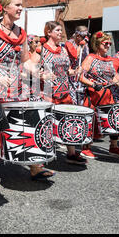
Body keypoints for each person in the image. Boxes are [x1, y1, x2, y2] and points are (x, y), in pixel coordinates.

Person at [0, 0, 55, 183]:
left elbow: (25, 62)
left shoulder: (21, 33)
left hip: (15, 87)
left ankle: (34, 166)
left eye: (21, 4)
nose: (21, 8)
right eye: (17, 5)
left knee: (22, 122)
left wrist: (38, 72)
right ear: (5, 8)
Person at [30, 21, 86, 165]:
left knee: (68, 121)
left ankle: (71, 154)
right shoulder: (41, 50)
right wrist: (41, 76)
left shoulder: (63, 49)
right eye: (58, 30)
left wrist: (75, 72)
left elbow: (67, 70)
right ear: (49, 32)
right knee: (46, 124)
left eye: (61, 31)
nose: (61, 33)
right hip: (47, 93)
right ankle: (41, 157)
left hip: (64, 91)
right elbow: (29, 70)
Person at [79, 31, 119, 158]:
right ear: (97, 44)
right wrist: (92, 84)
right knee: (91, 120)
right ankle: (86, 147)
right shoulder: (90, 58)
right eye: (105, 43)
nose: (108, 45)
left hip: (108, 95)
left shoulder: (111, 60)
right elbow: (80, 76)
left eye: (109, 43)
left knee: (114, 119)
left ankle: (113, 146)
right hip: (93, 95)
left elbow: (115, 76)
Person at [65, 26, 90, 106]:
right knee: (74, 101)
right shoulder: (69, 43)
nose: (85, 38)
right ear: (78, 36)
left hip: (82, 76)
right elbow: (75, 55)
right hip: (72, 76)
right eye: (84, 37)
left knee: (83, 101)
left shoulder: (85, 45)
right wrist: (81, 45)